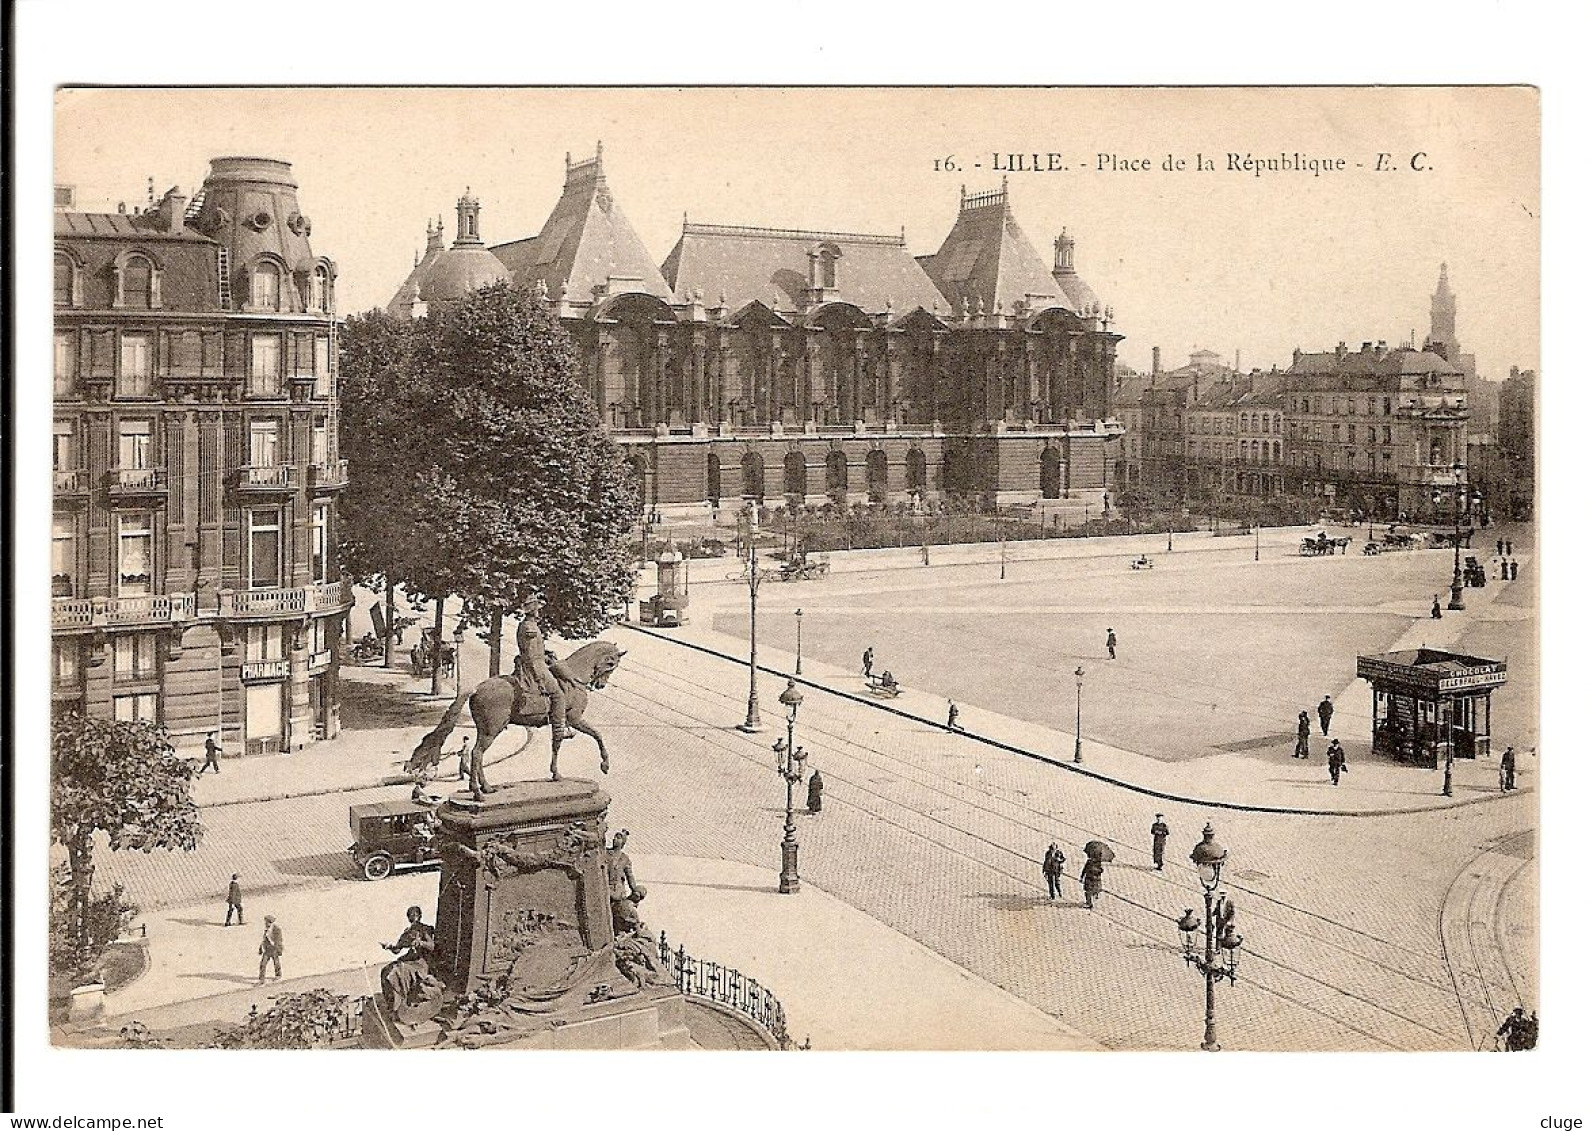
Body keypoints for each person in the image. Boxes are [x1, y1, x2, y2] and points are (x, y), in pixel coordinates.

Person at [511, 595, 570, 740]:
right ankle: (559, 730)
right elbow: (531, 655)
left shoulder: (529, 625)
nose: (539, 612)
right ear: (532, 611)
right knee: (558, 695)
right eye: (537, 609)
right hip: (535, 666)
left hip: (539, 662)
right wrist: (538, 675)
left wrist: (546, 654)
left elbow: (535, 650)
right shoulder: (529, 627)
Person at [380, 906, 437, 1011]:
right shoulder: (408, 932)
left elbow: (432, 946)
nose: (413, 917)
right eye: (411, 915)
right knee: (386, 970)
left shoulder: (424, 929)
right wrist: (389, 947)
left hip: (420, 962)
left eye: (415, 915)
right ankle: (393, 1002)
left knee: (398, 972)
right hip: (409, 959)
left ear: (420, 916)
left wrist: (421, 943)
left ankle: (404, 1003)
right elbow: (397, 950)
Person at [257, 916, 284, 983]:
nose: (265, 924)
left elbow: (279, 940)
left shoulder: (277, 929)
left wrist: (277, 948)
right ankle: (261, 979)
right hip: (267, 949)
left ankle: (278, 975)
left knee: (276, 962)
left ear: (270, 922)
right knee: (263, 963)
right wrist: (260, 948)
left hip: (274, 949)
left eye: (266, 922)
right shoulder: (266, 929)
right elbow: (264, 940)